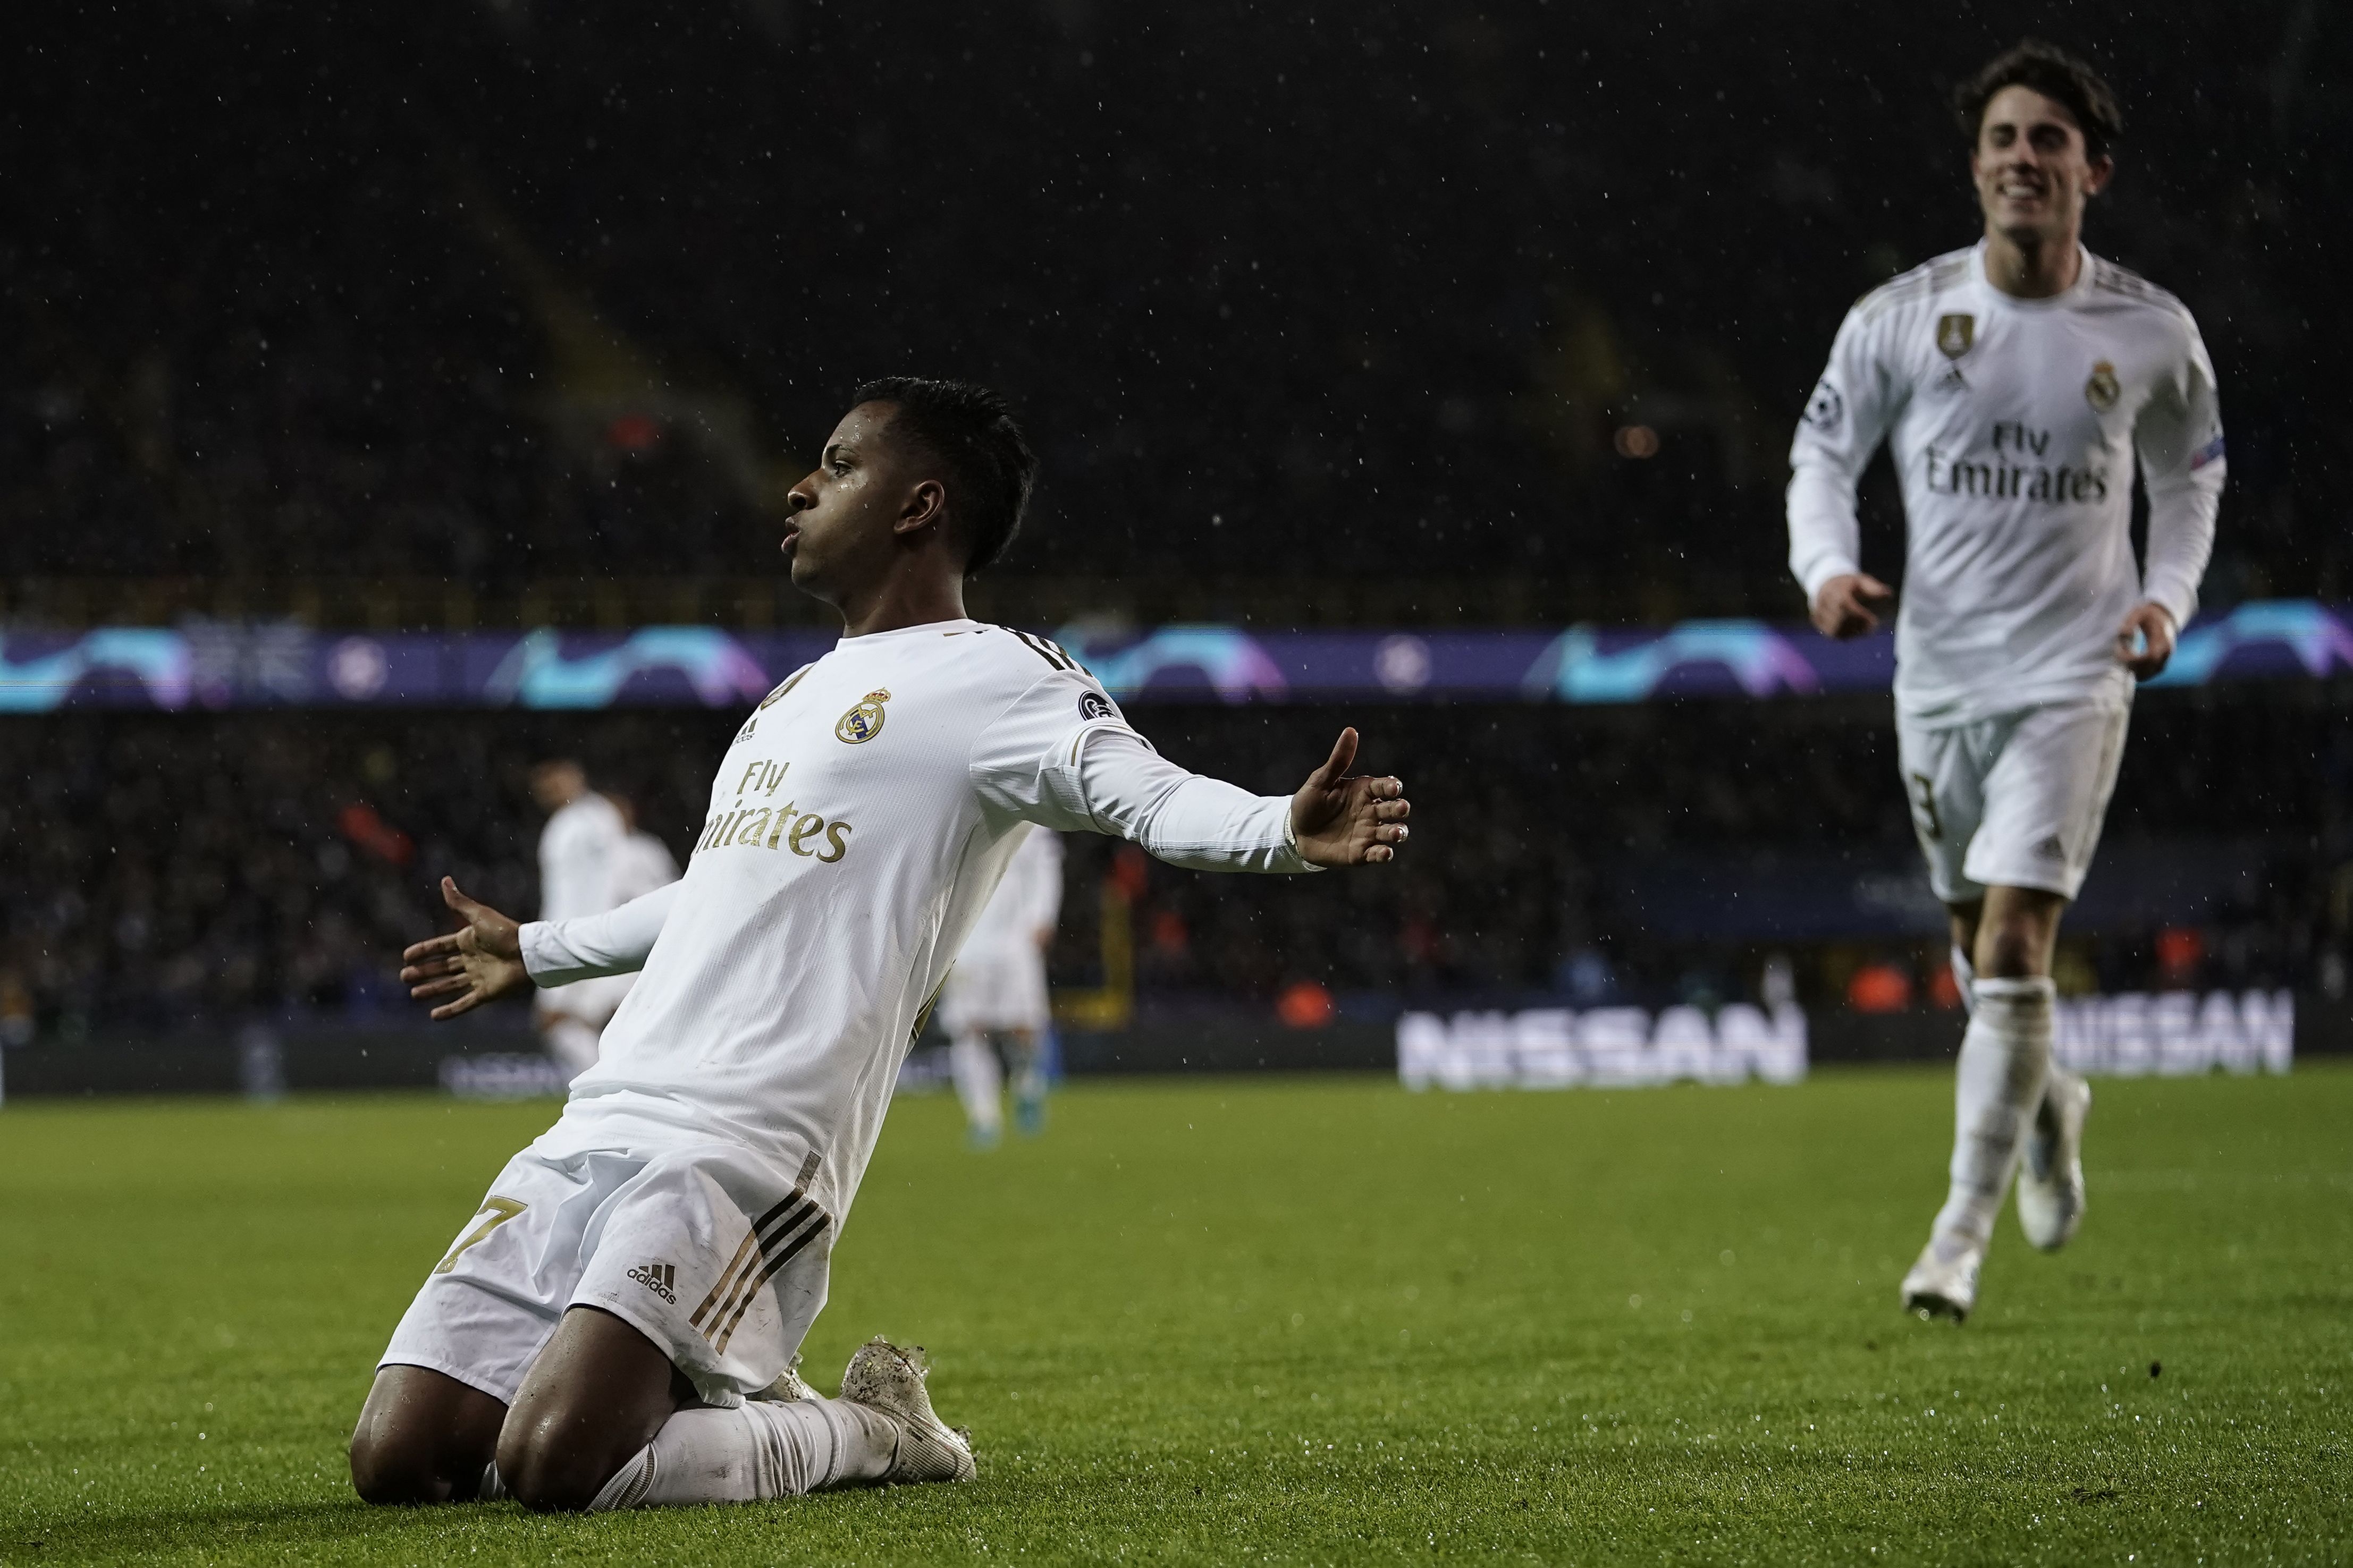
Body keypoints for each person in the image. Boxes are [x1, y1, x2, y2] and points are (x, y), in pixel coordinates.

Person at [358, 378, 1413, 1512]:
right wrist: (541, 946)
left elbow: (1145, 798)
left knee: (563, 1463)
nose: (800, 486)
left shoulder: (1002, 678)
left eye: (837, 463)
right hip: (604, 1115)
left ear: (918, 505)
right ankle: (704, 1383)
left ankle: (871, 1425)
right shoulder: (789, 698)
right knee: (401, 1459)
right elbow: (716, 894)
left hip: (744, 1141)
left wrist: (1280, 828)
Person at [1786, 41, 2223, 1322]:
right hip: (1936, 675)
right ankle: (2050, 1105)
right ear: (1975, 166)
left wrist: (2166, 597)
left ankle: (1953, 1239)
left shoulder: (2149, 330)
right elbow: (1820, 457)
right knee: (1978, 955)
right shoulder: (1899, 318)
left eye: (2046, 140)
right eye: (2001, 140)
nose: (2022, 159)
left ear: (2092, 169)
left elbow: (2186, 477)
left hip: (2073, 671)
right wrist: (1825, 567)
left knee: (2020, 935)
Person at [941, 824, 1064, 1147]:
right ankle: (984, 1118)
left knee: (1023, 1029)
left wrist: (1043, 917)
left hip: (1014, 941)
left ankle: (1028, 1089)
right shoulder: (956, 811)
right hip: (966, 942)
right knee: (969, 1031)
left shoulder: (1030, 817)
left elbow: (1046, 863)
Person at [526, 761, 638, 1078]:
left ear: (577, 776)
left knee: (561, 1021)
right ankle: (608, 1089)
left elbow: (614, 881)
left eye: (556, 780)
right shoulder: (571, 822)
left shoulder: (590, 819)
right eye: (545, 786)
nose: (551, 789)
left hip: (587, 934)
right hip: (577, 933)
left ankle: (606, 1090)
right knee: (574, 1025)